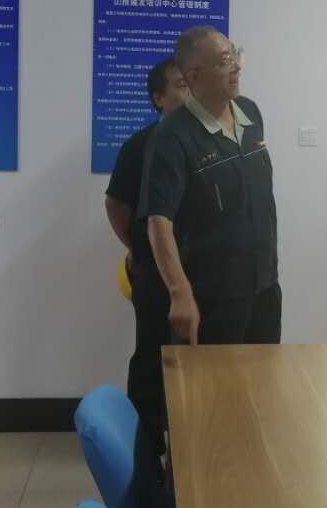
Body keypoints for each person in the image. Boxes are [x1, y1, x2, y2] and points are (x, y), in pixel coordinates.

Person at [140, 26, 281, 346]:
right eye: (224, 60)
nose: (236, 66)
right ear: (195, 75)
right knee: (211, 379)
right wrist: (180, 292)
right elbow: (158, 221)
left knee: (262, 375)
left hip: (264, 289)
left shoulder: (250, 112)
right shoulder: (171, 136)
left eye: (235, 55)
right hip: (211, 298)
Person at [104, 57, 188, 465]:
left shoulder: (207, 141)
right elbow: (116, 205)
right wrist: (139, 248)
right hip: (154, 273)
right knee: (152, 357)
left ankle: (193, 446)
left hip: (204, 272)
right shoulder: (140, 145)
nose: (189, 92)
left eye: (192, 83)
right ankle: (147, 452)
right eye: (180, 85)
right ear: (158, 98)